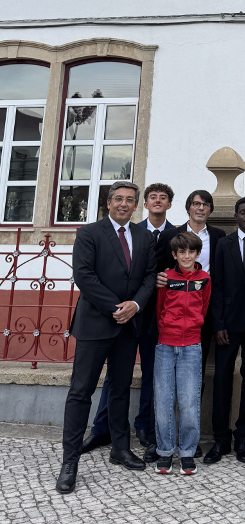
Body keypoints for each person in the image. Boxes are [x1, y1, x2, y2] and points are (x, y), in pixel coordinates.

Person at [55, 181, 156, 494]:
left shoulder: (143, 236)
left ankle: (120, 448)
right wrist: (117, 308)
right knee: (81, 391)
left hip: (129, 327)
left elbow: (150, 275)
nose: (124, 204)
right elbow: (84, 276)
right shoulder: (89, 233)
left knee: (120, 389)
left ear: (135, 205)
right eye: (119, 199)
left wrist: (136, 305)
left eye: (129, 200)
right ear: (109, 202)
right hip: (96, 324)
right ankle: (70, 461)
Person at [81, 182, 175, 454]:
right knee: (115, 376)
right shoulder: (132, 230)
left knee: (151, 373)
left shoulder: (176, 234)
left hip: (155, 314)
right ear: (143, 204)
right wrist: (121, 306)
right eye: (152, 197)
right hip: (123, 314)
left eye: (163, 198)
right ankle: (102, 429)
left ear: (169, 204)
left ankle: (143, 425)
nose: (157, 201)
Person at [153, 189, 225, 461]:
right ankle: (163, 445)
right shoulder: (174, 237)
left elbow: (208, 300)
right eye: (196, 203)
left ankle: (189, 444)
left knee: (191, 392)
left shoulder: (218, 237)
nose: (200, 208)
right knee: (163, 393)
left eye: (205, 204)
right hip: (168, 331)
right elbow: (160, 303)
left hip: (197, 325)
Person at [206, 196, 245, 465]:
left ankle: (243, 435)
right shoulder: (223, 244)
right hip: (227, 325)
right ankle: (221, 438)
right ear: (236, 216)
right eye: (243, 212)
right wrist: (217, 323)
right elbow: (216, 285)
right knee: (222, 380)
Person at [154, 231, 211, 476]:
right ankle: (165, 452)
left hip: (191, 347)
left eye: (191, 251)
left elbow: (204, 308)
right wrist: (167, 330)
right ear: (175, 255)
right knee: (164, 401)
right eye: (181, 252)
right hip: (165, 346)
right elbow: (159, 309)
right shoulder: (166, 278)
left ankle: (187, 452)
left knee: (188, 402)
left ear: (198, 253)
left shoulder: (204, 279)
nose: (186, 256)